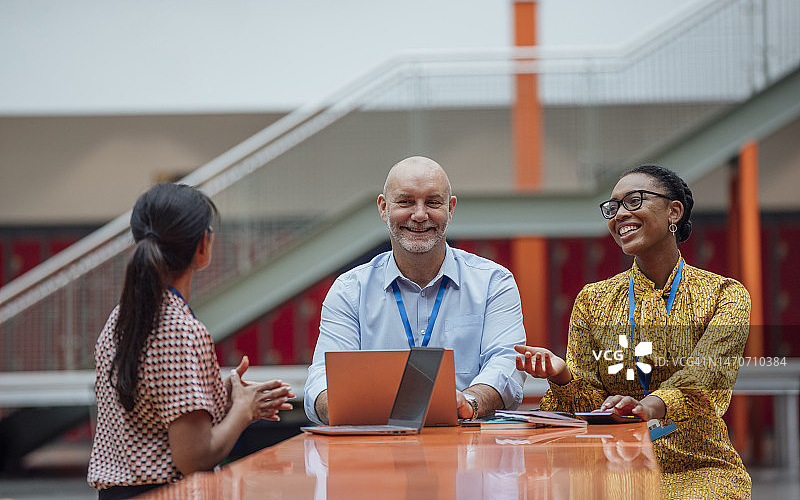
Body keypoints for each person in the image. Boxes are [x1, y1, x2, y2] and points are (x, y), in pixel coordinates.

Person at [515, 164, 751, 499]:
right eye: (613, 208)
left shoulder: (725, 294)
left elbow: (704, 378)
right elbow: (589, 405)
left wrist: (649, 406)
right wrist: (563, 376)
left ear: (674, 211)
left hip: (698, 465)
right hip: (612, 462)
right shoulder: (593, 300)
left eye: (634, 201)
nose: (619, 215)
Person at [88, 183, 295, 499]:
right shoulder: (181, 330)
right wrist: (243, 410)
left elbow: (147, 409)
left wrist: (218, 396)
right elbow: (194, 459)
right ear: (203, 245)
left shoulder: (120, 317)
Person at [304, 156, 526, 424]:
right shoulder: (349, 291)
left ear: (450, 208)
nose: (420, 215)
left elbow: (506, 364)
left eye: (433, 202)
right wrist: (342, 404)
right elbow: (322, 380)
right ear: (384, 208)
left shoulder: (494, 283)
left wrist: (468, 402)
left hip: (470, 448)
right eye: (406, 201)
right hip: (374, 450)